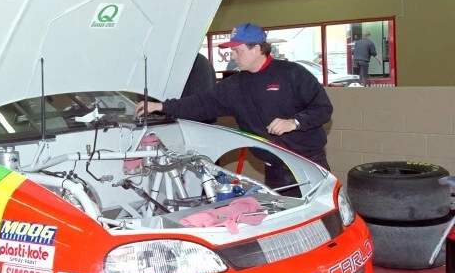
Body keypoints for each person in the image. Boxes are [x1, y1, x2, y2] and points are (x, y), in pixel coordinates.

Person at [135, 22, 333, 196]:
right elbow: (201, 104)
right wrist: (161, 106)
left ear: (257, 48)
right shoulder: (234, 85)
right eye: (232, 51)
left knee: (324, 217)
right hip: (275, 168)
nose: (233, 56)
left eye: (238, 51)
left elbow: (323, 108)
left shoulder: (292, 73)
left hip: (308, 162)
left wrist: (294, 122)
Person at [181, 53, 217, 124]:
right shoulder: (196, 60)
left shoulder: (197, 62)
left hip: (199, 123)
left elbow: (199, 106)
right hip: (198, 121)